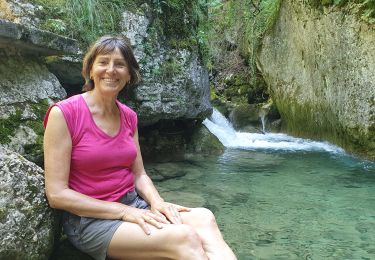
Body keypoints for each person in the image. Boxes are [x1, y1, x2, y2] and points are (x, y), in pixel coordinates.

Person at [43, 35, 237, 260]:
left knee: (203, 217)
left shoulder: (129, 116)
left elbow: (139, 174)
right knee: (184, 237)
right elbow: (57, 194)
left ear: (129, 74)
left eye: (120, 64)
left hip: (133, 204)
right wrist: (125, 212)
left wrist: (157, 202)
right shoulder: (64, 113)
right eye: (103, 62)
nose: (111, 70)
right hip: (89, 220)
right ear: (90, 69)